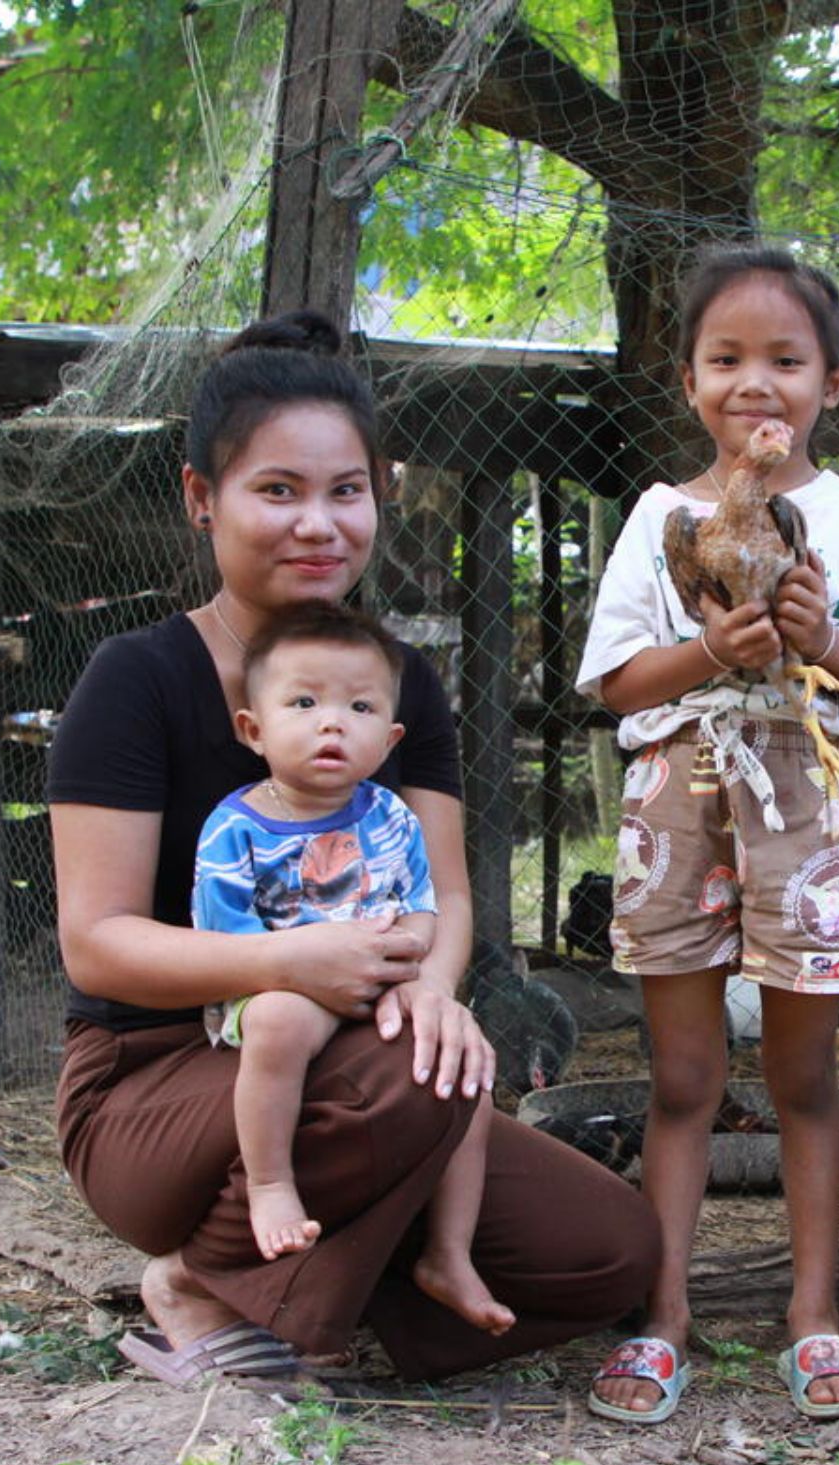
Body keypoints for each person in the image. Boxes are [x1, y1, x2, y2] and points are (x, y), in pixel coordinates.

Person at [50, 310, 658, 1387]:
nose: (317, 524)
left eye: (345, 491)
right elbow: (97, 948)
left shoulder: (397, 687)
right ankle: (191, 1284)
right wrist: (287, 965)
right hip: (154, 1082)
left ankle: (320, 1276)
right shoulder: (135, 679)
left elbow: (447, 892)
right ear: (202, 501)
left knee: (609, 1249)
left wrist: (431, 990)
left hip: (360, 1065)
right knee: (397, 1079)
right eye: (275, 490)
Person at [574, 244, 839, 1422]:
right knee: (683, 1078)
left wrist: (817, 638)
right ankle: (664, 1315)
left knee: (801, 1078)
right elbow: (621, 684)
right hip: (680, 798)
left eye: (785, 360)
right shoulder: (656, 518)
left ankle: (812, 1315)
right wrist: (712, 652)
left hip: (810, 807)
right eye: (725, 358)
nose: (754, 384)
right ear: (687, 381)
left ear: (829, 385)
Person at [192, 601, 511, 1335]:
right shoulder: (233, 826)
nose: (332, 722)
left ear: (391, 735)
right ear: (254, 728)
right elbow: (230, 947)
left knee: (464, 1069)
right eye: (303, 702)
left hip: (379, 983)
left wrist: (412, 977)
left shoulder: (391, 816)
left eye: (359, 706)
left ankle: (449, 1251)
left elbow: (423, 909)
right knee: (277, 1019)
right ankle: (272, 1185)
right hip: (278, 990)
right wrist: (312, 971)